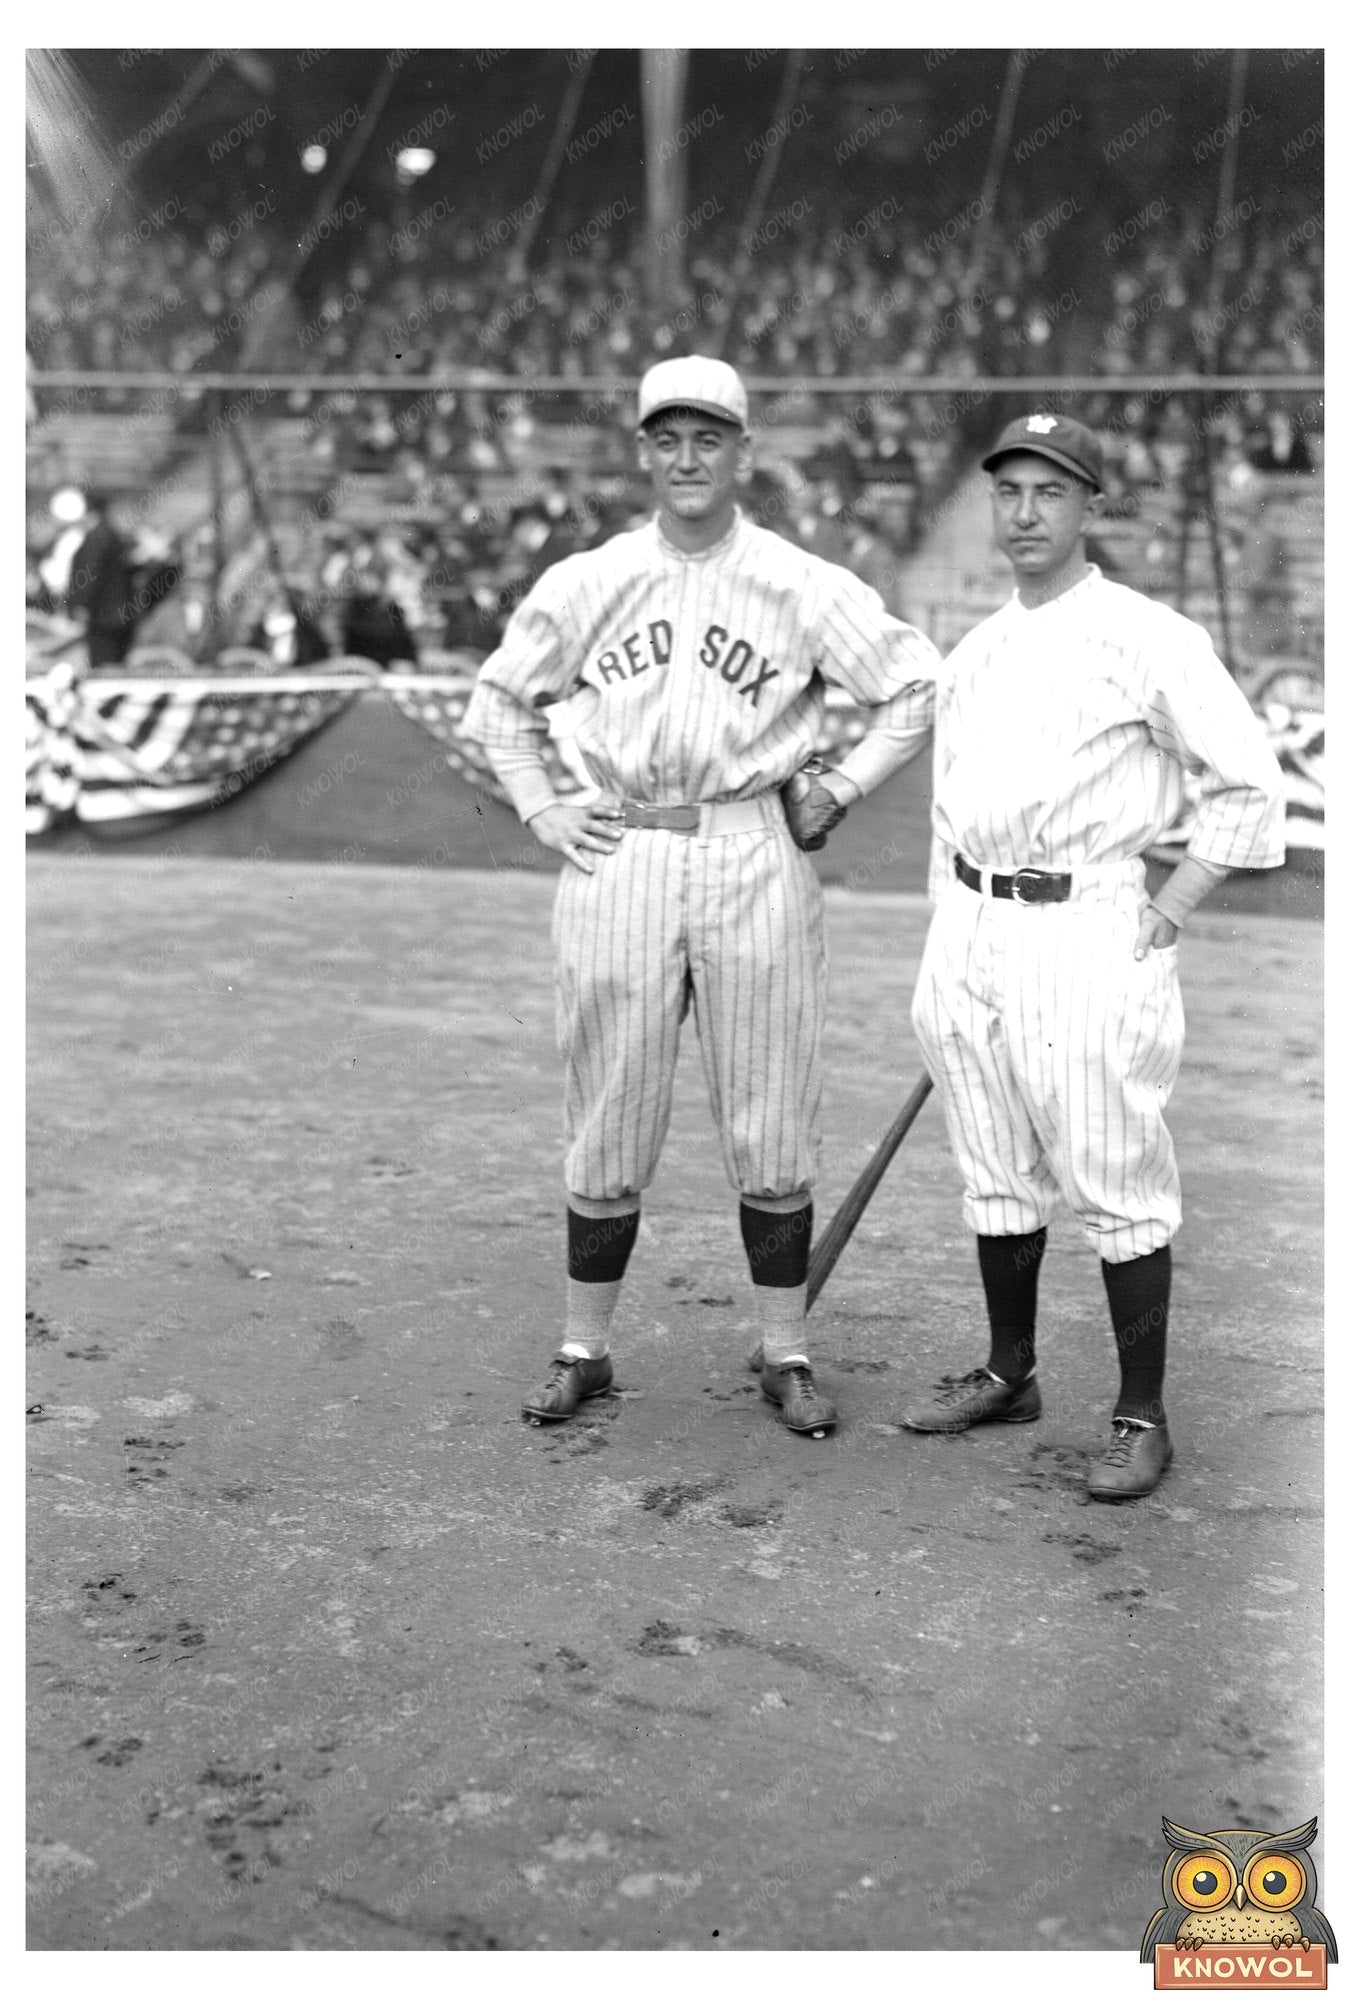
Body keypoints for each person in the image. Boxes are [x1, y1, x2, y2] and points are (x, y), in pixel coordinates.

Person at [462, 356, 939, 1435]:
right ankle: (584, 1345)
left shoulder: (799, 581)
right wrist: (542, 808)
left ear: (742, 453)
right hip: (622, 847)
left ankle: (787, 1349)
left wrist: (844, 782)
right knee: (609, 1112)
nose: (688, 457)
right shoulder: (588, 580)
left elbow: (915, 683)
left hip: (751, 843)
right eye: (668, 437)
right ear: (643, 450)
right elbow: (498, 704)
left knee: (770, 1116)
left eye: (709, 438)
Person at [902, 413, 1285, 1498]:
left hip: (1087, 922)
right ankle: (1008, 1367)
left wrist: (1173, 904)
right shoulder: (973, 651)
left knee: (1115, 1173)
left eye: (1051, 493)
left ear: (1089, 507)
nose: (1026, 514)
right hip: (973, 922)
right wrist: (949, 949)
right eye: (1009, 492)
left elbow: (1249, 784)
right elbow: (946, 818)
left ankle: (1139, 1409)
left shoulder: (1149, 635)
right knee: (994, 1163)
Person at [67, 490, 141, 665]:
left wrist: (79, 604)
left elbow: (89, 573)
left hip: (104, 619)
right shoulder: (111, 535)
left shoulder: (96, 538)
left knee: (103, 667)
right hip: (120, 616)